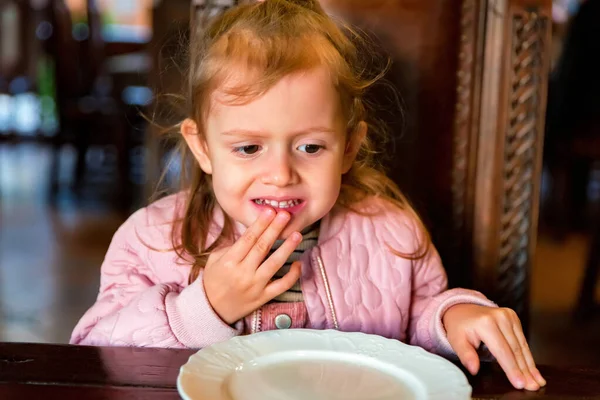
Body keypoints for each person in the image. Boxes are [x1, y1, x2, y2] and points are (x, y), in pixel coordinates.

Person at [70, 0, 546, 391]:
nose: (280, 174)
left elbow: (421, 313)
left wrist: (456, 315)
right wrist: (204, 307)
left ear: (349, 147)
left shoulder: (391, 231)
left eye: (311, 146)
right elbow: (97, 354)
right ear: (203, 148)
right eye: (249, 147)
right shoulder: (151, 240)